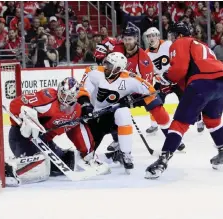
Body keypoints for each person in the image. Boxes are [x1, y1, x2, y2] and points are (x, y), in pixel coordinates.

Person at [145, 22, 223, 179]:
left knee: (179, 122)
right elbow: (194, 69)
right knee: (213, 121)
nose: (171, 39)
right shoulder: (202, 45)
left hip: (201, 83)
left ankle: (162, 160)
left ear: (178, 35)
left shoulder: (181, 42)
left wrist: (167, 79)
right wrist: (173, 83)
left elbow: (179, 70)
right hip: (220, 83)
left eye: (172, 35)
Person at [6, 77, 109, 186]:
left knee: (66, 162)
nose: (65, 99)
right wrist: (28, 121)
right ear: (59, 90)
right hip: (22, 136)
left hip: (43, 141)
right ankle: (9, 169)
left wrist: (87, 154)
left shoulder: (76, 111)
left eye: (69, 97)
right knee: (39, 167)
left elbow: (77, 133)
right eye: (64, 94)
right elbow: (15, 104)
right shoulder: (47, 97)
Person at [78, 52, 171, 172]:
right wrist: (86, 105)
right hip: (94, 117)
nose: (106, 67)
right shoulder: (94, 72)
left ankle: (126, 154)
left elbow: (151, 91)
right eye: (106, 63)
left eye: (109, 65)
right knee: (85, 156)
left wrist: (132, 99)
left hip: (113, 117)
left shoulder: (130, 79)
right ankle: (113, 154)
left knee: (123, 112)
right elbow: (83, 89)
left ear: (118, 69)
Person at [145, 27, 204, 138]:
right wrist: (157, 77)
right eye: (149, 36)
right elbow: (150, 71)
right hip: (162, 81)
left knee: (188, 100)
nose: (151, 38)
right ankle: (154, 124)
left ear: (158, 36)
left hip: (176, 78)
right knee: (154, 101)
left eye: (153, 35)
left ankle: (199, 120)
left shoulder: (168, 44)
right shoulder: (146, 54)